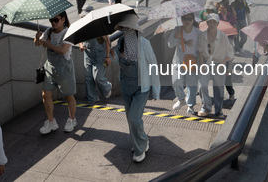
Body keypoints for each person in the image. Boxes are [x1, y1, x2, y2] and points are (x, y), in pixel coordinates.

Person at [114, 15, 160, 163]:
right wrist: (110, 51)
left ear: (135, 30)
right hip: (126, 86)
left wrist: (156, 90)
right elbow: (115, 62)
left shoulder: (144, 44)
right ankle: (141, 141)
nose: (127, 31)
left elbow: (153, 65)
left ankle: (140, 149)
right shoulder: (120, 42)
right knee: (130, 119)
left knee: (134, 118)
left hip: (142, 88)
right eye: (124, 29)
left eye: (129, 28)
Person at [34, 11, 78, 134]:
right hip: (50, 67)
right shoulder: (48, 32)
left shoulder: (68, 32)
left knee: (68, 95)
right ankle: (51, 121)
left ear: (63, 20)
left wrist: (49, 44)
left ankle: (72, 119)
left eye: (56, 20)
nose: (53, 23)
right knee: (45, 94)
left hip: (64, 68)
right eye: (51, 20)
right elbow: (38, 44)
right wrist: (37, 38)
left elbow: (63, 50)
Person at [198, 14, 234, 117]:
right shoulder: (202, 35)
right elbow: (200, 51)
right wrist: (201, 65)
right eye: (210, 22)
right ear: (207, 23)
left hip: (219, 63)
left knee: (218, 88)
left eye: (214, 22)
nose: (212, 24)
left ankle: (218, 110)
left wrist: (222, 64)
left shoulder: (223, 37)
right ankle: (206, 107)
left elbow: (230, 53)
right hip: (206, 62)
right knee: (202, 86)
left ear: (218, 23)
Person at [168, 13, 200, 115]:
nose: (187, 21)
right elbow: (170, 45)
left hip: (192, 61)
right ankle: (181, 99)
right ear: (181, 19)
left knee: (192, 84)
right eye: (184, 18)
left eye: (189, 19)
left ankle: (190, 106)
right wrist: (175, 37)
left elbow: (202, 48)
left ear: (193, 20)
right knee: (176, 80)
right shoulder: (177, 30)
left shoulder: (198, 33)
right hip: (179, 60)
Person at [78, 35, 112, 102]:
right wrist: (81, 45)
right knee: (88, 77)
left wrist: (107, 56)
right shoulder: (84, 28)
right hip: (88, 55)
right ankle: (92, 98)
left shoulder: (99, 27)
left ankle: (107, 88)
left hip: (101, 55)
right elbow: (80, 38)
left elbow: (107, 41)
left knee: (98, 77)